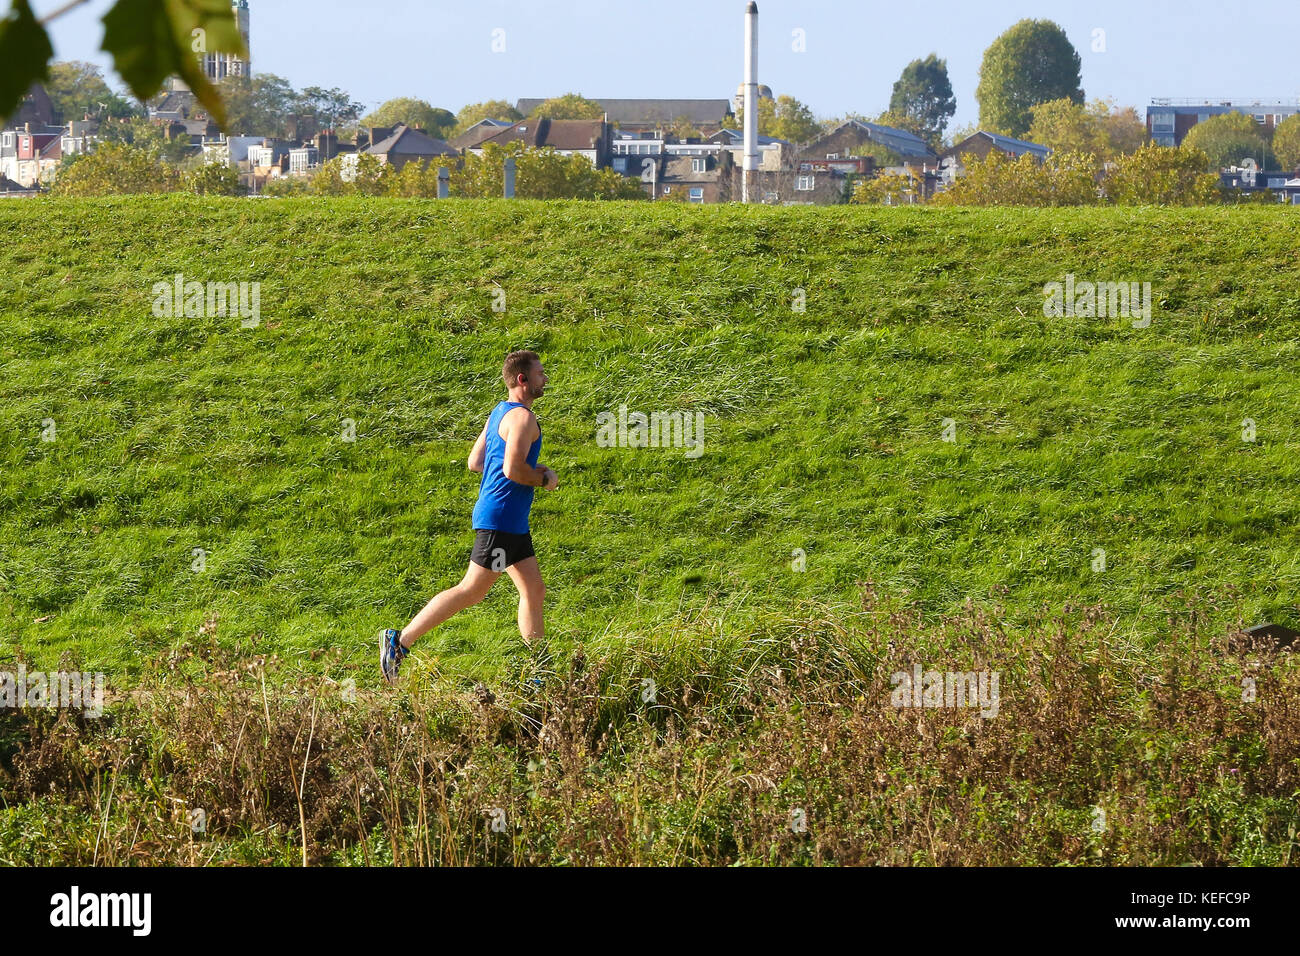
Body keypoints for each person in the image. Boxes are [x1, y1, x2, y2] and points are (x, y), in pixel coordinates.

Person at [379, 351, 557, 683]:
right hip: (502, 519)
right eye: (540, 373)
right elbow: (512, 468)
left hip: (510, 520)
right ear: (523, 380)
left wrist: (521, 472)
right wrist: (542, 478)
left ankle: (538, 672)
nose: (544, 378)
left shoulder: (499, 413)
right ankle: (399, 642)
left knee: (534, 590)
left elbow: (476, 461)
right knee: (472, 590)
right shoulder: (522, 419)